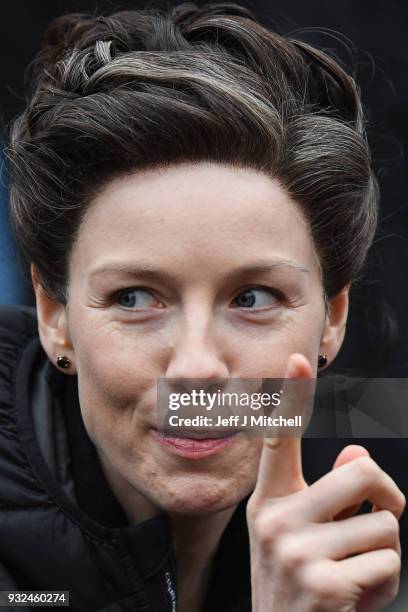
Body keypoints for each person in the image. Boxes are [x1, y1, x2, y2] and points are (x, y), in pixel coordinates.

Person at [1, 2, 405, 611]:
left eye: (252, 298)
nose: (195, 370)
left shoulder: (380, 481)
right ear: (54, 316)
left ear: (334, 319)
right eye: (133, 298)